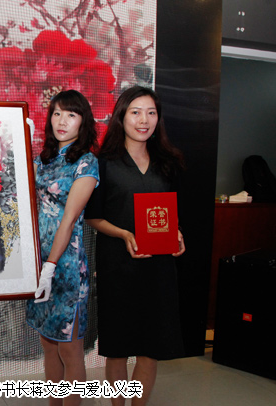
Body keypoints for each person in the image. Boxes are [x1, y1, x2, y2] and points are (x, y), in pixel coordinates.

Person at [85, 85, 186, 406]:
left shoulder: (168, 162)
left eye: (151, 113)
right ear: (121, 117)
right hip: (118, 266)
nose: (144, 120)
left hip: (159, 268)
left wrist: (177, 233)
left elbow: (171, 213)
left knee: (150, 349)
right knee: (118, 349)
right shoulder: (104, 163)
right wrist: (124, 234)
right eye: (136, 112)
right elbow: (93, 217)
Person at [26, 90, 99, 406]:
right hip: (38, 264)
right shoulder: (42, 160)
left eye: (71, 114)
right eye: (56, 113)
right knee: (48, 343)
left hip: (65, 268)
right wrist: (18, 140)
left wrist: (51, 266)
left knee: (70, 349)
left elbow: (69, 220)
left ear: (83, 122)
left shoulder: (86, 162)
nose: (62, 121)